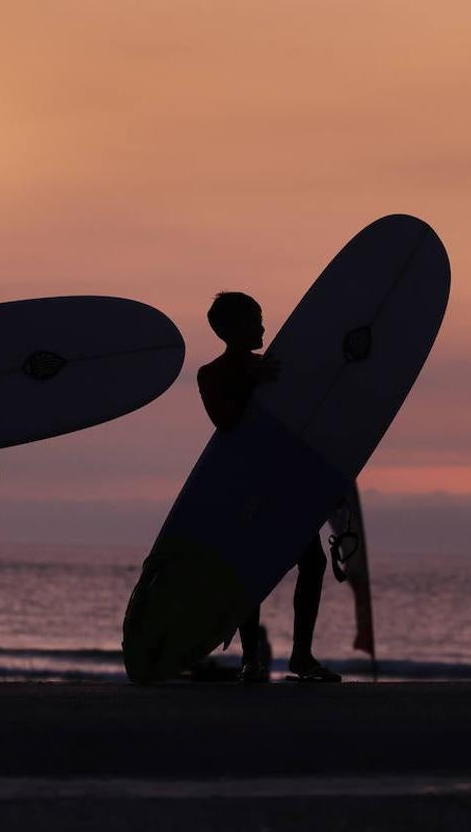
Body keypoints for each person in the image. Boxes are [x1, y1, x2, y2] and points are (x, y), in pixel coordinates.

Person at [196, 292, 340, 683]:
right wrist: (250, 383)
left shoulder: (274, 366)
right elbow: (226, 422)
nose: (262, 326)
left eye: (261, 318)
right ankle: (251, 660)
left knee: (312, 562)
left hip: (286, 478)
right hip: (244, 482)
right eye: (254, 320)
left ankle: (301, 657)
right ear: (228, 329)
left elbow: (303, 423)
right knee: (249, 567)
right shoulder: (211, 374)